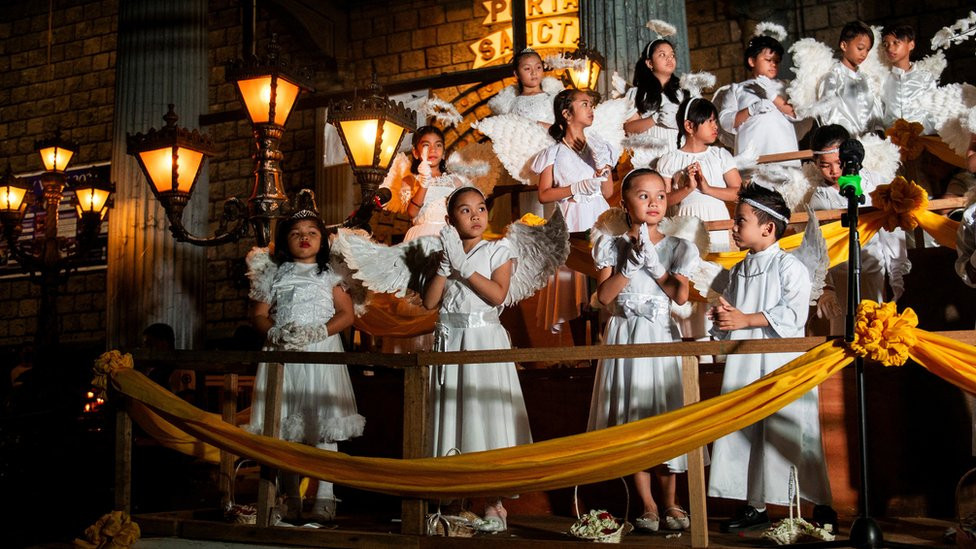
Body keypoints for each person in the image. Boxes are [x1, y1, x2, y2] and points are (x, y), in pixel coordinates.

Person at [707, 184, 835, 532]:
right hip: (746, 361)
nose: (733, 228)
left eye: (740, 221)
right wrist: (722, 321)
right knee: (746, 429)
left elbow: (792, 315)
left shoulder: (789, 267)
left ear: (768, 228)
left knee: (791, 430)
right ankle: (755, 503)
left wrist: (745, 319)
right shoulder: (737, 270)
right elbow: (731, 313)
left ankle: (819, 503)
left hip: (781, 362)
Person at [586, 168, 697, 532]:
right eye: (643, 195)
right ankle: (646, 502)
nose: (653, 203)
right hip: (625, 335)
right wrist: (629, 267)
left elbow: (680, 297)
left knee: (665, 413)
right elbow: (602, 297)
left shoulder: (678, 244)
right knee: (634, 416)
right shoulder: (610, 243)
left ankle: (670, 501)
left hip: (660, 334)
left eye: (660, 196)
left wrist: (656, 266)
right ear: (625, 202)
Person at [422, 186, 532, 533]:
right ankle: (454, 496)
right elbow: (429, 302)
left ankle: (492, 500)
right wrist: (444, 263)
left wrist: (463, 265)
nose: (475, 216)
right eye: (465, 210)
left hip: (483, 340)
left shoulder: (498, 250)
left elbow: (498, 294)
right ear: (450, 219)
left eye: (480, 209)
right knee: (454, 410)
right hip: (451, 342)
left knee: (484, 413)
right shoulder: (444, 252)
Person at [245, 211, 365, 524]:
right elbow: (258, 313)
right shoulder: (275, 273)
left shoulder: (330, 274)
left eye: (312, 231)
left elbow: (347, 314)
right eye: (296, 232)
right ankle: (289, 496)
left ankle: (325, 496)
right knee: (283, 424)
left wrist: (320, 331)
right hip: (283, 350)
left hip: (320, 350)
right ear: (285, 240)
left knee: (323, 422)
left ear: (322, 240)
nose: (304, 237)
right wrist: (273, 331)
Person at [807, 125, 910, 335]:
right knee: (844, 332)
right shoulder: (820, 198)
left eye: (838, 163)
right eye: (825, 165)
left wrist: (896, 274)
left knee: (876, 328)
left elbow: (892, 233)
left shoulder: (875, 184)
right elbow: (818, 246)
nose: (834, 171)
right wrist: (826, 287)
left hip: (874, 267)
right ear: (816, 164)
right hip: (840, 274)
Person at [531, 88, 615, 338]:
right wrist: (574, 187)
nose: (591, 109)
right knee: (574, 282)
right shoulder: (553, 153)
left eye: (592, 105)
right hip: (572, 215)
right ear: (567, 114)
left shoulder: (600, 147)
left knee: (604, 276)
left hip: (599, 215)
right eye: (585, 104)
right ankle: (581, 347)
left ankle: (604, 341)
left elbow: (608, 192)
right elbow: (544, 194)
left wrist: (602, 167)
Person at [657, 96, 741, 343]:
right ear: (689, 126)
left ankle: (723, 348)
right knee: (691, 287)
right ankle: (696, 353)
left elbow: (738, 191)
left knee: (719, 285)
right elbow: (663, 202)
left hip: (719, 228)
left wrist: (706, 188)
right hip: (686, 230)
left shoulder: (720, 156)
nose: (715, 127)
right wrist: (687, 188)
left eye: (716, 120)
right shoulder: (670, 160)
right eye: (709, 121)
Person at [488, 46, 564, 222]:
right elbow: (510, 133)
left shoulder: (552, 99)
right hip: (524, 161)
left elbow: (563, 128)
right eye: (527, 68)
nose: (534, 73)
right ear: (517, 74)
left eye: (538, 67)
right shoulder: (513, 104)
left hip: (552, 159)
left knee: (552, 211)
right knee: (526, 211)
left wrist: (542, 126)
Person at [718, 33, 800, 163]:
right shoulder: (737, 89)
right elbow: (725, 121)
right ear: (752, 61)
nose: (773, 64)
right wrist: (751, 110)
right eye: (768, 60)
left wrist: (773, 96)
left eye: (776, 61)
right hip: (753, 155)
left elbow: (798, 113)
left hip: (784, 151)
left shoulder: (785, 86)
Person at [401, 126, 471, 241]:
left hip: (448, 237)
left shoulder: (455, 181)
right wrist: (424, 182)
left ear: (443, 153)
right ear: (415, 152)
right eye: (426, 145)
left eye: (438, 145)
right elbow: (412, 213)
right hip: (421, 237)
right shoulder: (410, 180)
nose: (432, 150)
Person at [816, 20, 883, 136]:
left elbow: (876, 113)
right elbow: (827, 115)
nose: (864, 54)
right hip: (845, 145)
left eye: (867, 50)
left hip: (871, 145)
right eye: (860, 48)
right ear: (844, 45)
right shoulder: (833, 78)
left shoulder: (867, 80)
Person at [623, 38, 686, 160]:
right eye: (662, 55)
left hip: (679, 152)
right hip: (650, 156)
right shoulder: (637, 93)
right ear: (649, 63)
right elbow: (629, 128)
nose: (669, 58)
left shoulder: (685, 92)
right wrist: (655, 118)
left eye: (672, 55)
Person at [880, 24, 938, 134]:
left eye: (896, 43)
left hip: (922, 140)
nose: (890, 48)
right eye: (885, 44)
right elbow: (880, 112)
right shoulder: (883, 79)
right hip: (891, 143)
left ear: (911, 45)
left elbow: (932, 111)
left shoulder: (925, 78)